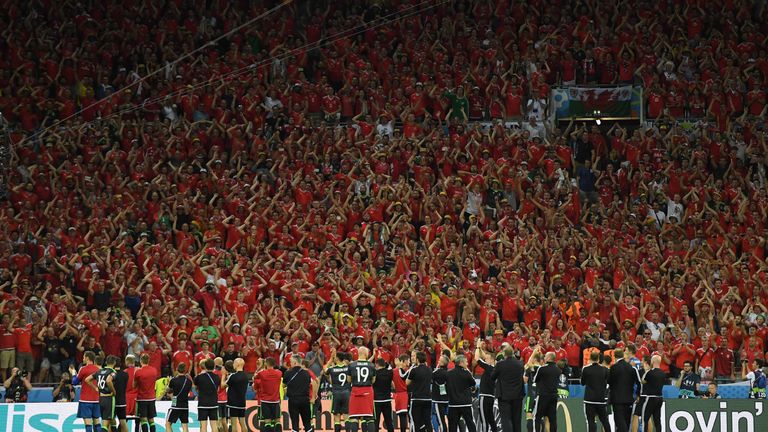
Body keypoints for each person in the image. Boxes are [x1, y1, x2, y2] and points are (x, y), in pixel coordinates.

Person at [608, 348, 641, 432]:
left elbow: (609, 382)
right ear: (623, 356)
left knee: (619, 423)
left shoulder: (613, 368)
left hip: (617, 400)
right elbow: (639, 383)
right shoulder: (631, 368)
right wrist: (637, 395)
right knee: (626, 422)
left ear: (614, 356)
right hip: (629, 399)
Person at [86, 355, 118, 432]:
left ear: (106, 362)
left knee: (112, 419)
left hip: (101, 398)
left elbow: (87, 379)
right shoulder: (113, 372)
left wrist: (95, 388)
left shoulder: (99, 371)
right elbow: (108, 381)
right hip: (109, 398)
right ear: (114, 363)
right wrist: (113, 391)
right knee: (105, 423)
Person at [445, 355, 477, 432]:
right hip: (465, 403)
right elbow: (473, 382)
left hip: (453, 404)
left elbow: (445, 386)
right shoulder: (466, 373)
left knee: (452, 425)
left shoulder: (449, 373)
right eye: (466, 362)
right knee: (470, 423)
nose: (467, 364)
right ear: (461, 363)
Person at [348, 346, 377, 432]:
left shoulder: (352, 365)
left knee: (354, 417)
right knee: (369, 417)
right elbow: (373, 380)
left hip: (355, 391)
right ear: (365, 353)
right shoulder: (371, 365)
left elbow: (349, 380)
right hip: (367, 391)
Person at [580, 351, 610, 432]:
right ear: (598, 359)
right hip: (601, 399)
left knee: (591, 421)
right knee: (605, 421)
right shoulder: (605, 370)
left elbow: (582, 383)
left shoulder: (586, 369)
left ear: (590, 358)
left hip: (589, 400)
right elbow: (609, 381)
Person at [284, 354, 314, 432]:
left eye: (290, 362)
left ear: (295, 363)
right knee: (307, 424)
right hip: (305, 400)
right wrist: (313, 397)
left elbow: (284, 385)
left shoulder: (287, 373)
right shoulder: (306, 373)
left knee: (295, 425)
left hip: (293, 400)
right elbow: (313, 383)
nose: (290, 364)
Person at [474, 343, 499, 432]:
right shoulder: (494, 368)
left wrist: (477, 346)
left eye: (487, 359)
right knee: (491, 419)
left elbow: (477, 358)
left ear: (491, 360)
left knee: (484, 419)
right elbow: (485, 356)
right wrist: (480, 348)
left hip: (484, 396)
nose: (485, 359)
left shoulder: (488, 368)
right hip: (491, 397)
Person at [533, 352, 561, 432]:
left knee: (537, 417)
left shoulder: (542, 368)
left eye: (545, 356)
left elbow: (535, 379)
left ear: (548, 358)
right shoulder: (558, 370)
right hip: (553, 396)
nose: (544, 357)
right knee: (552, 419)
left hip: (543, 395)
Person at [253, 358, 283, 432]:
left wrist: (260, 366)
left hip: (265, 401)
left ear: (266, 363)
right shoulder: (279, 373)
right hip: (276, 401)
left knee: (267, 422)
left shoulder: (262, 373)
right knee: (277, 421)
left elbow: (255, 377)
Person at [325, 351, 352, 432]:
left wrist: (330, 359)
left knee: (337, 417)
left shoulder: (332, 369)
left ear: (337, 358)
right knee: (346, 416)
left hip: (336, 393)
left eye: (335, 357)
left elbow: (325, 369)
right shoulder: (348, 368)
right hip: (346, 393)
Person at [75, 351, 103, 432]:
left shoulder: (83, 369)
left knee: (88, 424)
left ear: (87, 358)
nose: (83, 359)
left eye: (83, 357)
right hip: (96, 399)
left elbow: (75, 382)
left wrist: (73, 373)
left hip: (85, 400)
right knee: (97, 422)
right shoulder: (98, 369)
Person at [405, 351, 432, 432]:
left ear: (417, 359)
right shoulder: (429, 369)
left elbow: (407, 382)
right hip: (427, 399)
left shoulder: (414, 370)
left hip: (416, 399)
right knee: (427, 422)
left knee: (416, 422)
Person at [640, 355, 666, 432]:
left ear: (653, 361)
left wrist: (646, 370)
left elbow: (642, 381)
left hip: (650, 398)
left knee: (645, 419)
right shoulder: (663, 373)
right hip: (660, 398)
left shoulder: (650, 372)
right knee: (657, 420)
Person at [134, 353, 159, 432]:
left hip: (142, 398)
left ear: (141, 360)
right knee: (151, 419)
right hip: (151, 398)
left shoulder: (138, 372)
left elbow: (133, 385)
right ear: (148, 360)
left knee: (143, 419)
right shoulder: (154, 370)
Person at [194, 358, 222, 432]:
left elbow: (195, 387)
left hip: (203, 404)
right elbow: (218, 389)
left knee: (203, 426)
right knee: (214, 425)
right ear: (214, 366)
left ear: (205, 366)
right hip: (214, 403)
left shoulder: (199, 377)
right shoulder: (217, 377)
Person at [165, 363, 193, 432]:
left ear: (177, 369)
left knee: (168, 424)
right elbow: (189, 390)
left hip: (176, 405)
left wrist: (168, 382)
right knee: (185, 426)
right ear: (185, 370)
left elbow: (167, 390)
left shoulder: (173, 380)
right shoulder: (188, 381)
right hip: (185, 406)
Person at [225, 358, 250, 432]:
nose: (233, 365)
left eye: (234, 363)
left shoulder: (233, 376)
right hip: (242, 402)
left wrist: (223, 376)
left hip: (232, 403)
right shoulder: (246, 376)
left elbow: (223, 385)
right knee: (243, 423)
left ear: (237, 364)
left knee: (234, 424)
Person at [520, 350, 543, 432]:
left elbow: (524, 380)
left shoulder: (530, 368)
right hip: (540, 395)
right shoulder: (543, 369)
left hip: (531, 394)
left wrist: (533, 353)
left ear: (534, 359)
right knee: (540, 417)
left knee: (529, 416)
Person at [373, 357, 394, 432]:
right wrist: (386, 363)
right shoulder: (390, 373)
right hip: (387, 400)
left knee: (376, 422)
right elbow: (390, 367)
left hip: (376, 400)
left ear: (377, 364)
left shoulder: (375, 373)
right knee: (389, 422)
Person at [431, 354, 450, 432]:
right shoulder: (449, 373)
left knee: (441, 422)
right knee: (449, 421)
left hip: (438, 400)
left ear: (441, 363)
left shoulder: (436, 373)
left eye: (439, 360)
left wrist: (436, 368)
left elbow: (430, 377)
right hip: (447, 400)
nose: (438, 361)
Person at [393, 354, 411, 432]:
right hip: (405, 395)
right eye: (408, 360)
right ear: (403, 362)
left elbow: (392, 384)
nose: (409, 362)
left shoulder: (393, 371)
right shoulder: (408, 371)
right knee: (405, 417)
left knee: (402, 416)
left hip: (398, 395)